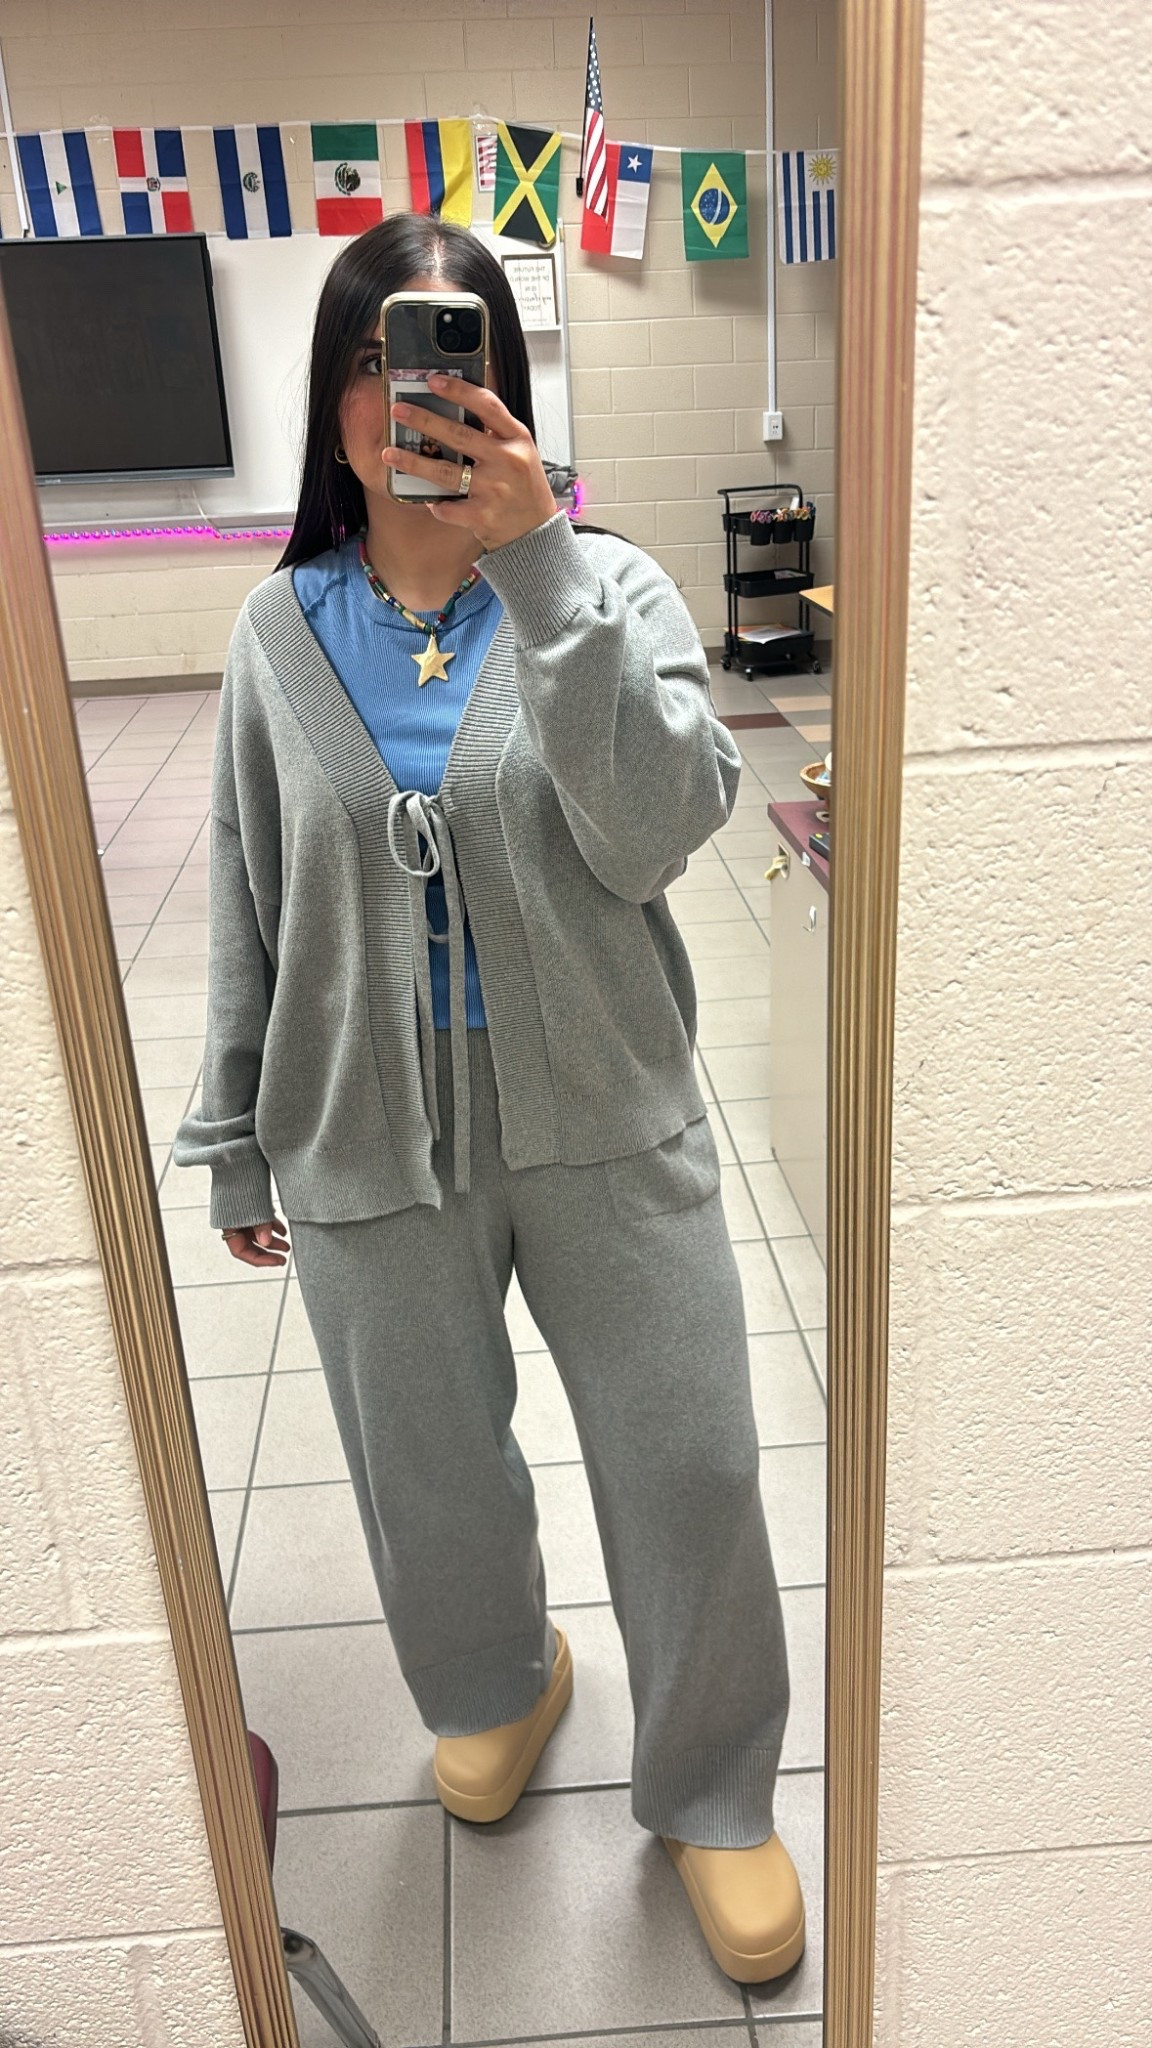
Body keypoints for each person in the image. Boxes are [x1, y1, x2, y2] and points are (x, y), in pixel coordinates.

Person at [174, 214, 804, 1986]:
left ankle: (715, 1792)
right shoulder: (274, 631)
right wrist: (232, 1130)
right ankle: (501, 1685)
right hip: (364, 1133)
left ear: (507, 396)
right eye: (376, 360)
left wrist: (539, 569)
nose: (412, 396)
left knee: (689, 1463)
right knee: (428, 1480)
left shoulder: (611, 590)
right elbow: (248, 891)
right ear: (334, 397)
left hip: (607, 1107)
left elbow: (659, 829)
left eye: (449, 359)